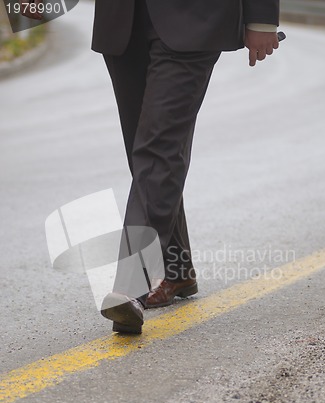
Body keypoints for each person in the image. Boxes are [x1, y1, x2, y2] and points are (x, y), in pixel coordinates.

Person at [21, 0, 281, 334]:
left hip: (197, 18)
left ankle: (131, 285)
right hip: (122, 18)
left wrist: (261, 18)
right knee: (144, 153)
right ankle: (177, 268)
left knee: (157, 150)